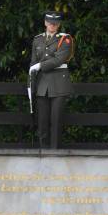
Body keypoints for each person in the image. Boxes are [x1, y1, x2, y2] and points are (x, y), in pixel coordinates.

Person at [29, 10, 74, 148]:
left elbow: (59, 59)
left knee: (56, 121)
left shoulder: (65, 39)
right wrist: (30, 85)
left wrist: (41, 65)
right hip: (42, 85)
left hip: (59, 84)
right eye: (49, 23)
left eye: (55, 23)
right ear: (45, 23)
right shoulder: (37, 39)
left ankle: (55, 152)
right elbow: (32, 64)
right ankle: (43, 152)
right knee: (42, 122)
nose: (52, 25)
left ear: (59, 24)